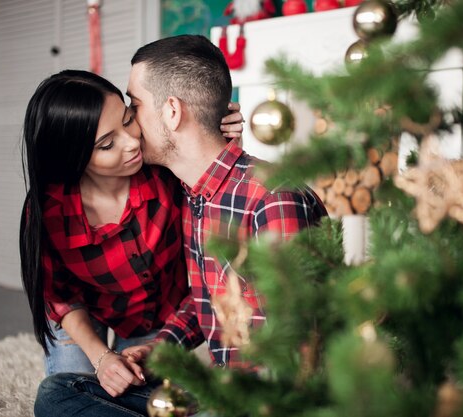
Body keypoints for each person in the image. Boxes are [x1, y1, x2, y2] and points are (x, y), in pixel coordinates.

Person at [34, 35, 327, 417]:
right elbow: (208, 296)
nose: (133, 133)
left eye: (132, 109)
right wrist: (159, 348)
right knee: (58, 393)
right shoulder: (195, 193)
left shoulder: (272, 199)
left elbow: (291, 355)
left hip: (258, 403)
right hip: (221, 389)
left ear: (172, 111)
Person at [19, 69, 244, 399]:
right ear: (74, 159)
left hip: (157, 315)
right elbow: (60, 296)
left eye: (127, 119)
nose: (132, 141)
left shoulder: (163, 169)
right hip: (85, 311)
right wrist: (102, 357)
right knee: (66, 393)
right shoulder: (48, 210)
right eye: (107, 144)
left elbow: (216, 194)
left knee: (148, 399)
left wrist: (220, 138)